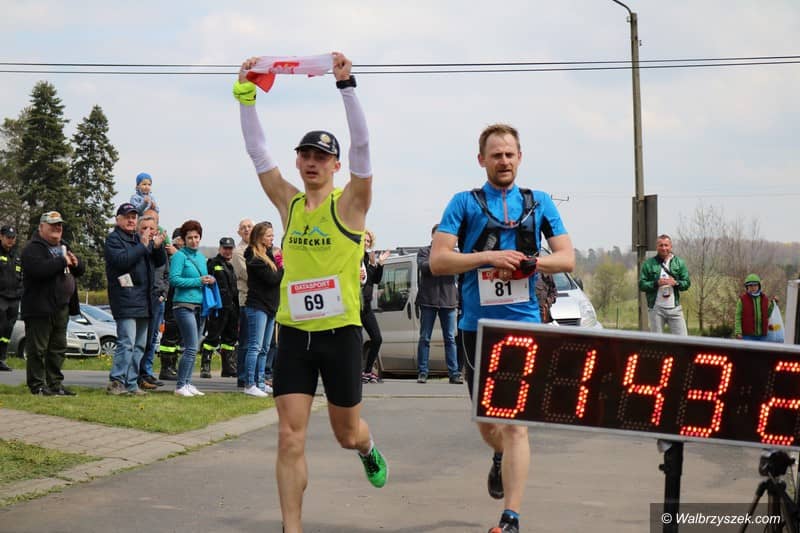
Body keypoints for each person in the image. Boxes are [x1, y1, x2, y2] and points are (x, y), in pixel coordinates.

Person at [235, 51, 387, 532]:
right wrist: (245, 94)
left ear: (336, 165)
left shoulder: (352, 204)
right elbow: (258, 153)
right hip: (294, 336)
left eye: (322, 157)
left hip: (340, 335)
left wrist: (347, 87)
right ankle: (292, 527)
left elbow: (363, 147)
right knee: (289, 437)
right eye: (305, 155)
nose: (312, 162)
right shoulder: (289, 202)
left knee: (346, 434)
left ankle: (367, 447)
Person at [429, 124, 575, 533]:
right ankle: (499, 456)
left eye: (510, 154)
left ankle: (511, 518)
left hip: (524, 327)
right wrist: (488, 257)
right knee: (489, 424)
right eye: (496, 155)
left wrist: (533, 263)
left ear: (520, 157)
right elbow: (439, 261)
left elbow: (566, 258)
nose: (504, 161)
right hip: (476, 328)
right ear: (482, 160)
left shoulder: (539, 201)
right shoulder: (464, 202)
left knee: (516, 425)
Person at [21, 211, 86, 396]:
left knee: (58, 348)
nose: (57, 228)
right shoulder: (32, 249)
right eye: (53, 225)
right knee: (38, 349)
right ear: (41, 227)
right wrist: (61, 261)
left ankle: (55, 384)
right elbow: (38, 270)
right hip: (39, 307)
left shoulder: (64, 246)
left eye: (59, 225)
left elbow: (79, 270)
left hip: (61, 307)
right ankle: (37, 385)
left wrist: (76, 263)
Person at [104, 204, 166, 396]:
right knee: (127, 342)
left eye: (133, 217)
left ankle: (131, 383)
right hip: (125, 299)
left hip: (144, 300)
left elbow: (159, 262)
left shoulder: (139, 239)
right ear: (118, 219)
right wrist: (143, 245)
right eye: (127, 217)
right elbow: (122, 261)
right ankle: (116, 381)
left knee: (140, 345)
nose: (131, 220)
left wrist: (157, 247)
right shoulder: (114, 239)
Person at [169, 219, 215, 397]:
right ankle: (180, 385)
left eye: (196, 237)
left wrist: (211, 279)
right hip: (183, 305)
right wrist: (198, 281)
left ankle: (187, 382)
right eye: (190, 238)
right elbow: (174, 280)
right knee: (190, 347)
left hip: (200, 306)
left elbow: (203, 278)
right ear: (183, 239)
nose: (194, 241)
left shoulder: (201, 257)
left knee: (194, 348)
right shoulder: (179, 256)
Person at [416, 223, 461, 384]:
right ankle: (423, 372)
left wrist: (444, 261)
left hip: (448, 301)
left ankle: (454, 373)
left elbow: (457, 268)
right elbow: (424, 267)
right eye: (438, 234)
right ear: (433, 235)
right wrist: (441, 261)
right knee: (425, 338)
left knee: (450, 338)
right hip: (428, 300)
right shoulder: (424, 251)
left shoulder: (453, 253)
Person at [242, 222, 283, 397]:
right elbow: (272, 278)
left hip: (271, 306)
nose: (272, 238)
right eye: (269, 235)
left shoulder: (268, 254)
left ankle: (260, 382)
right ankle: (249, 383)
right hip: (257, 305)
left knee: (265, 347)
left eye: (272, 235)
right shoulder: (253, 256)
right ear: (259, 237)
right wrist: (283, 267)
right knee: (255, 346)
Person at [198, 237, 239, 378]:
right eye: (225, 248)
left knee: (230, 338)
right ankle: (205, 367)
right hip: (218, 307)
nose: (228, 251)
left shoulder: (231, 265)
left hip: (232, 307)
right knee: (213, 337)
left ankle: (228, 367)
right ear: (220, 248)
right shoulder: (213, 263)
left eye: (230, 248)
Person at [638, 234, 690, 336]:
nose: (663, 248)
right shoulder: (648, 264)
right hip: (656, 310)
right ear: (656, 247)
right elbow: (642, 284)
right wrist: (656, 283)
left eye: (666, 245)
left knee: (683, 340)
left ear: (671, 246)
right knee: (656, 342)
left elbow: (687, 283)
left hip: (675, 309)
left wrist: (676, 283)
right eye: (661, 245)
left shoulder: (679, 263)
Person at [360, 229, 389, 383]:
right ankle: (358, 372)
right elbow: (362, 279)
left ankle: (367, 371)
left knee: (377, 338)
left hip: (366, 307)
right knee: (355, 341)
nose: (366, 243)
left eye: (368, 241)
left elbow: (375, 280)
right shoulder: (355, 257)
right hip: (355, 305)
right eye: (364, 240)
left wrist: (380, 264)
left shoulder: (368, 257)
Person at [157, 228, 184, 381]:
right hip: (171, 298)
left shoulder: (182, 254)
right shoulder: (169, 254)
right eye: (179, 239)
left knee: (177, 336)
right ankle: (166, 367)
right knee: (170, 335)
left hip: (181, 299)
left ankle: (173, 366)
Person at [232, 218, 254, 388]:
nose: (247, 229)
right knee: (246, 341)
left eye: (249, 226)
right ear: (239, 232)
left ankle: (255, 375)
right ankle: (242, 376)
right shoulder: (238, 251)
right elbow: (248, 274)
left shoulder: (259, 248)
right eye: (243, 228)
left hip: (262, 300)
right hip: (247, 298)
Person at [0, 225, 23, 372]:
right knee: (0, 326)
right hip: (1, 297)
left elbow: (22, 275)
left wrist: (21, 290)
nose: (11, 240)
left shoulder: (17, 255)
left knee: (8, 330)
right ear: (1, 237)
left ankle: (2, 358)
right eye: (8, 237)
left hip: (14, 298)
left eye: (13, 238)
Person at [735, 273, 778, 341]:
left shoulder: (764, 299)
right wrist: (738, 332)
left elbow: (767, 315)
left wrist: (773, 304)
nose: (753, 287)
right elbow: (738, 317)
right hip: (747, 336)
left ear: (759, 286)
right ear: (747, 287)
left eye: (755, 285)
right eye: (750, 285)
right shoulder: (742, 300)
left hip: (762, 336)